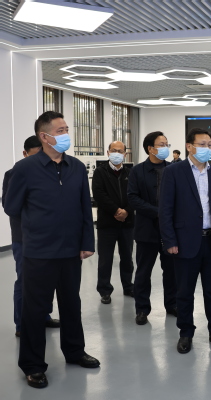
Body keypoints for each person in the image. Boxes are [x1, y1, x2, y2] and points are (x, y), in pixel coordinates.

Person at [4, 111, 100, 389]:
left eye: (66, 129)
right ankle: (33, 365)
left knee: (71, 304)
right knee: (34, 310)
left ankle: (75, 351)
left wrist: (87, 243)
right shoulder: (25, 169)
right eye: (60, 130)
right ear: (44, 137)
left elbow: (85, 207)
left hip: (71, 252)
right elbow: (11, 206)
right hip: (38, 252)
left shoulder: (76, 167)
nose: (66, 134)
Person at [159, 128, 211, 353]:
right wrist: (169, 241)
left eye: (210, 145)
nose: (207, 149)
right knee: (184, 292)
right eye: (202, 144)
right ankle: (186, 333)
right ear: (189, 146)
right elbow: (165, 210)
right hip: (184, 242)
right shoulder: (173, 172)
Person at [2, 136, 61, 338]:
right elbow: (10, 206)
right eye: (35, 155)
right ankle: (21, 323)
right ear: (25, 154)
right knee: (25, 281)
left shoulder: (51, 172)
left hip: (49, 237)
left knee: (47, 280)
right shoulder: (13, 174)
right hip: (24, 238)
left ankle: (44, 316)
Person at [127, 131, 177, 325]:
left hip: (170, 231)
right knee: (143, 272)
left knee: (171, 271)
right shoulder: (137, 171)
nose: (165, 147)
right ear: (150, 148)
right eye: (161, 144)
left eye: (166, 144)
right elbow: (133, 198)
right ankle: (142, 309)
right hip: (146, 230)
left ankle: (172, 304)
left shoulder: (174, 169)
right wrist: (158, 212)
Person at [92, 141, 135, 305]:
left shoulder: (130, 173)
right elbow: (99, 195)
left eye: (120, 151)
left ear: (125, 154)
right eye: (114, 150)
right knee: (105, 259)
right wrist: (116, 211)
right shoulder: (100, 172)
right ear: (108, 152)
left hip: (127, 223)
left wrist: (127, 211)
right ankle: (104, 290)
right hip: (107, 223)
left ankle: (128, 286)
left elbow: (135, 195)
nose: (117, 153)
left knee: (127, 258)